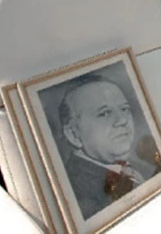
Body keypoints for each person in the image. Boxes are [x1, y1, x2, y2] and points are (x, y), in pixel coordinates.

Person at [59, 74, 147, 219]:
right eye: (104, 113)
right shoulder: (78, 196)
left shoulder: (138, 168)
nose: (122, 120)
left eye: (124, 109)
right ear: (73, 134)